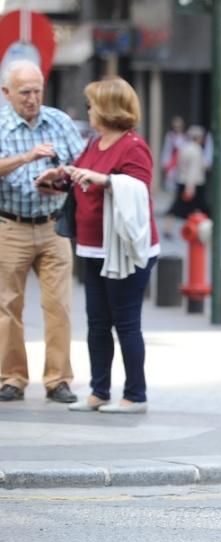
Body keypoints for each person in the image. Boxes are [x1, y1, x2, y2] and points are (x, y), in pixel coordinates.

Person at [35, 76, 160, 414]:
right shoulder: (94, 143)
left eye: (91, 105)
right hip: (92, 246)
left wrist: (104, 180)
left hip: (124, 249)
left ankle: (135, 396)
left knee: (126, 323)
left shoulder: (132, 146)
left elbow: (139, 189)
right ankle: (98, 392)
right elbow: (85, 186)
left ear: (107, 108)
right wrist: (58, 181)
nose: (88, 110)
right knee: (97, 323)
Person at [0, 60, 85, 404]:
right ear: (7, 93)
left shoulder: (60, 121)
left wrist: (60, 180)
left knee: (59, 306)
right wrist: (26, 157)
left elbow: (83, 166)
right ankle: (12, 378)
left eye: (37, 90)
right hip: (10, 226)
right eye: (25, 92)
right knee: (7, 306)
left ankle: (58, 379)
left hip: (53, 226)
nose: (33, 98)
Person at [165, 125, 209, 233]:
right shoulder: (196, 150)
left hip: (182, 181)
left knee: (177, 207)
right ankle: (202, 231)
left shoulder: (184, 148)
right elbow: (193, 170)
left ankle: (169, 228)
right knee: (201, 208)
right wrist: (190, 186)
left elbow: (180, 165)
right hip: (194, 183)